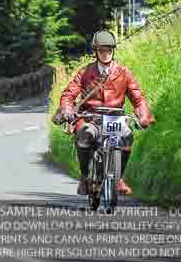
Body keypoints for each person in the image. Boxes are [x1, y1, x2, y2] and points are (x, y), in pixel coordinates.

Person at [59, 30, 155, 196]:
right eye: (101, 50)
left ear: (113, 50)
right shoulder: (85, 72)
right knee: (85, 135)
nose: (105, 54)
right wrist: (67, 109)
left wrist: (144, 115)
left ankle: (118, 178)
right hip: (91, 117)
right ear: (95, 51)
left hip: (114, 118)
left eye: (109, 50)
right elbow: (68, 94)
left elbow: (138, 98)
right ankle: (84, 177)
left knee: (127, 136)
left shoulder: (124, 72)